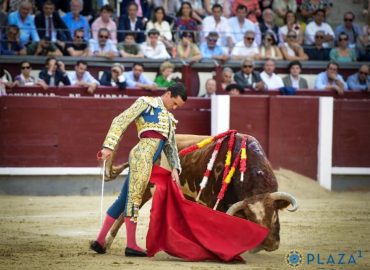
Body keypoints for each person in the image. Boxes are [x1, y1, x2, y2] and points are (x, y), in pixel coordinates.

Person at [90, 83, 187, 256]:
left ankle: (100, 240)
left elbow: (170, 146)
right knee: (134, 198)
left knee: (123, 199)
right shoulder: (146, 102)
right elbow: (120, 120)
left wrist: (175, 169)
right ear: (169, 94)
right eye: (175, 103)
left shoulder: (170, 120)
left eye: (177, 107)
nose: (174, 108)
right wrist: (108, 147)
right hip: (141, 156)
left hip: (147, 160)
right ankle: (132, 245)